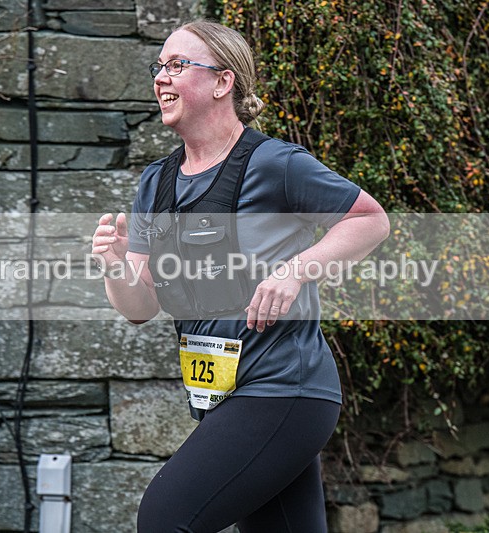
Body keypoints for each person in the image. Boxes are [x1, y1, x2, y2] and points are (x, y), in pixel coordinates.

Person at [91, 20, 389, 533]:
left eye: (177, 65)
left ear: (223, 82)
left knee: (166, 518)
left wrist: (296, 271)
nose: (161, 78)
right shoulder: (155, 183)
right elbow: (139, 309)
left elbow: (370, 221)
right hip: (223, 394)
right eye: (159, 66)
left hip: (284, 388)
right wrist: (116, 265)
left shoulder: (275, 164)